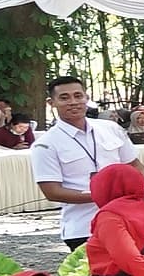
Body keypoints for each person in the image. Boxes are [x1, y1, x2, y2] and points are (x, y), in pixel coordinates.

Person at [26, 73, 137, 251]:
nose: (73, 102)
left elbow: (134, 164)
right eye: (64, 97)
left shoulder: (111, 129)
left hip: (128, 220)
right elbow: (53, 192)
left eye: (78, 96)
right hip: (84, 228)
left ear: (87, 97)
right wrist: (105, 196)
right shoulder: (45, 145)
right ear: (51, 103)